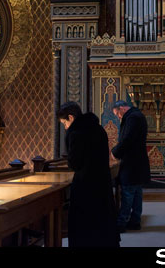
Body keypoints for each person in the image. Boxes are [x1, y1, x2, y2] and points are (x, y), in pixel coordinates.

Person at [56, 101, 121, 247]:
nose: (65, 127)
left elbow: (74, 163)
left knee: (84, 226)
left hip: (85, 185)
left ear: (71, 118)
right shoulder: (98, 128)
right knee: (102, 223)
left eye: (64, 123)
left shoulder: (76, 133)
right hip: (102, 183)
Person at [111, 100, 151, 233]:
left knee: (128, 193)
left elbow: (127, 139)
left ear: (121, 108)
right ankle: (135, 221)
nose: (118, 117)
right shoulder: (136, 115)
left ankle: (121, 223)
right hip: (137, 161)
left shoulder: (132, 118)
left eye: (117, 114)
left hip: (132, 162)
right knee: (136, 192)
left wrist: (115, 152)